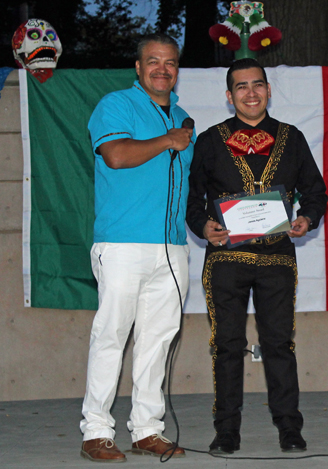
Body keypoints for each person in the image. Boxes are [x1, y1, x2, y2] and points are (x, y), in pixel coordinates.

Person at [187, 58, 327, 454]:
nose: (251, 93)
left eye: (258, 85)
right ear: (229, 96)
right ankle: (226, 430)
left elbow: (316, 192)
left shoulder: (292, 137)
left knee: (279, 344)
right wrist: (204, 227)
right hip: (226, 260)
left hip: (278, 258)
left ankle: (289, 429)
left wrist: (307, 218)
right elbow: (192, 200)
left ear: (268, 90)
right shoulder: (210, 140)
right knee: (228, 345)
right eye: (242, 87)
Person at [80, 33, 195, 463]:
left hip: (172, 247)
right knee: (111, 335)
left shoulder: (184, 118)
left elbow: (186, 184)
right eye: (153, 61)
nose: (161, 69)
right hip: (123, 243)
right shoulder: (116, 105)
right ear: (138, 67)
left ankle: (147, 429)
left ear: (177, 70)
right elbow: (115, 155)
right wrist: (168, 140)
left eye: (169, 63)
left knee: (158, 341)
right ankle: (96, 431)